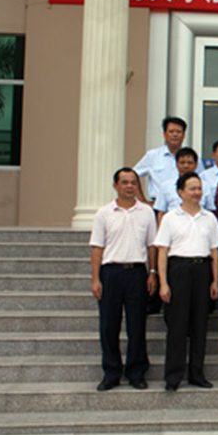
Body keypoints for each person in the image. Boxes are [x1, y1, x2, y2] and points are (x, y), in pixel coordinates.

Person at [90, 167, 157, 391]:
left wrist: (152, 272)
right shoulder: (104, 213)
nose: (129, 186)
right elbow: (97, 248)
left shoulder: (146, 213)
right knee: (109, 325)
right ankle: (111, 372)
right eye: (125, 182)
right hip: (111, 273)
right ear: (115, 186)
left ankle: (136, 372)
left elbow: (152, 245)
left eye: (133, 182)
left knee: (137, 325)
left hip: (137, 272)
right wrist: (95, 279)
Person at [155, 172, 218, 391]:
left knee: (199, 325)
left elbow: (214, 252)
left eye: (199, 188)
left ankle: (197, 374)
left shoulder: (209, 218)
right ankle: (173, 376)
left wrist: (215, 281)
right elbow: (162, 251)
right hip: (179, 270)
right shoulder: (170, 218)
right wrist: (163, 283)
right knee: (177, 325)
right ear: (180, 192)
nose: (197, 192)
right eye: (192, 188)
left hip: (202, 270)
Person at [134, 116, 201, 201]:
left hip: (187, 203)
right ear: (164, 134)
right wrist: (142, 201)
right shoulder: (152, 156)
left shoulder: (192, 157)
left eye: (178, 132)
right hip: (157, 203)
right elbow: (133, 175)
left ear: (184, 135)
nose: (175, 135)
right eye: (171, 131)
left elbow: (201, 179)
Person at [154, 147, 200, 223]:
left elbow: (209, 210)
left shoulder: (205, 185)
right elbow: (160, 212)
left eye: (189, 163)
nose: (186, 166)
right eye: (182, 162)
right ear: (176, 164)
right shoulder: (166, 186)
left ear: (196, 165)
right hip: (173, 226)